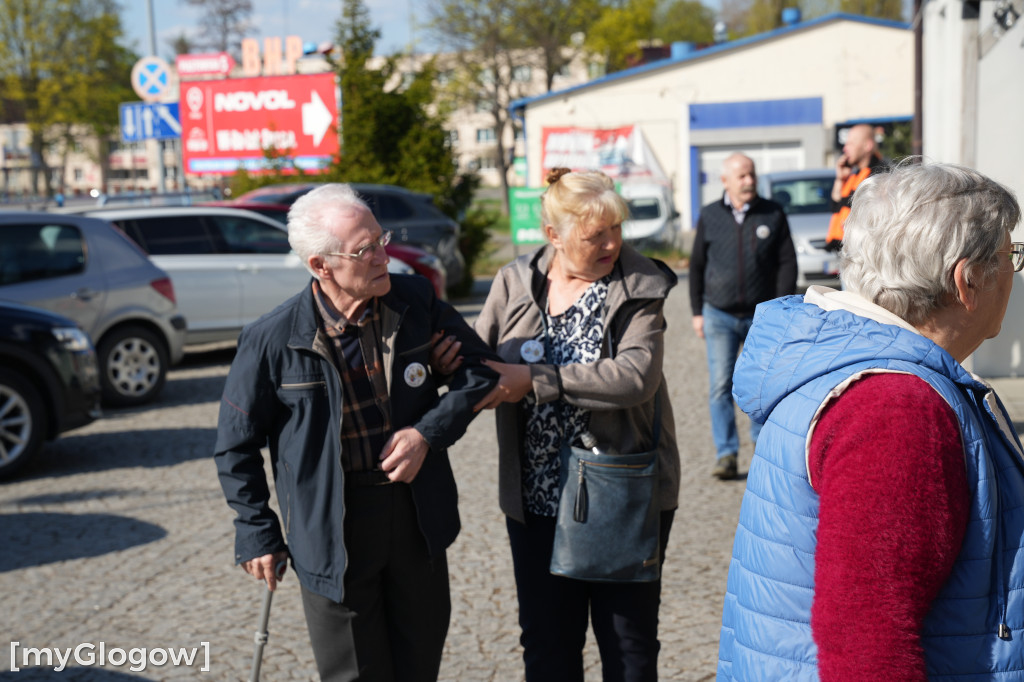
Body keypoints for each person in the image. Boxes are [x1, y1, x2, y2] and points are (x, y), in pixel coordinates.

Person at [717, 162, 1024, 680]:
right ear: (966, 279)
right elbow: (866, 640)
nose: (1014, 274)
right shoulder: (896, 406)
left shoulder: (850, 367)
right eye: (1009, 256)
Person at [213, 183, 498, 682]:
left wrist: (427, 433)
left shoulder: (414, 302)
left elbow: (479, 372)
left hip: (414, 516)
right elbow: (235, 446)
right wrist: (255, 529)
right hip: (330, 528)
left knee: (419, 666)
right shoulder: (272, 339)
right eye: (366, 249)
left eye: (382, 239)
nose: (384, 256)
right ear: (322, 265)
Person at [436, 167, 680, 682]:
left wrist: (537, 379)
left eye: (616, 228)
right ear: (555, 235)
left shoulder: (639, 285)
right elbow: (480, 358)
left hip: (621, 489)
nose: (611, 243)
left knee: (628, 645)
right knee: (546, 645)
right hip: (535, 496)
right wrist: (446, 363)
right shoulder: (514, 281)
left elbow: (636, 376)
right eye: (596, 235)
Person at [688, 153, 796, 480]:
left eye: (752, 174)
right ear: (725, 181)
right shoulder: (709, 215)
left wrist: (780, 309)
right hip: (718, 314)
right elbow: (696, 266)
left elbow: (787, 264)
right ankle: (726, 454)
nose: (749, 181)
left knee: (761, 385)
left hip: (761, 317)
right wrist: (696, 312)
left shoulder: (772, 213)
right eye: (742, 176)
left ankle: (762, 449)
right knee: (720, 386)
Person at [824, 123, 885, 252]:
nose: (845, 149)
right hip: (847, 249)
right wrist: (840, 179)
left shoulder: (879, 175)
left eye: (850, 144)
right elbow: (835, 207)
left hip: (865, 251)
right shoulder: (855, 175)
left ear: (867, 146)